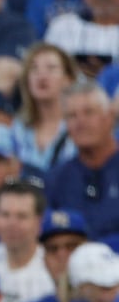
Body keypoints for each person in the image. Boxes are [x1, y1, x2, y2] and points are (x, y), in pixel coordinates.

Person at [45, 81, 119, 239]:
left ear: (110, 118)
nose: (80, 123)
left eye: (89, 113)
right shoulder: (56, 179)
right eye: (72, 116)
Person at [15, 43, 79, 173]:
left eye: (51, 68)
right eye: (34, 69)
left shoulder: (80, 125)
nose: (42, 76)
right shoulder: (17, 128)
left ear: (68, 79)